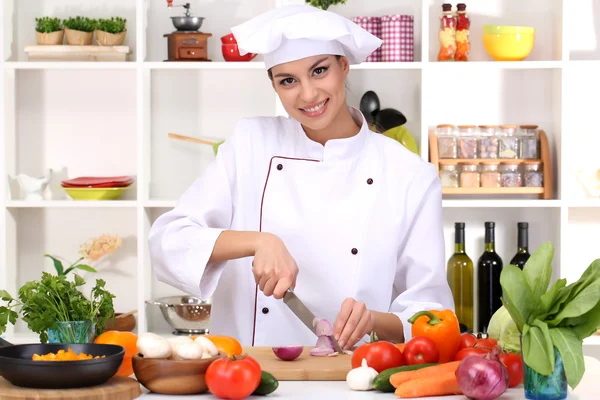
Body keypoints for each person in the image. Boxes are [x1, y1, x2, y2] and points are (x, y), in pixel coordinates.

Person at [148, 5, 454, 350]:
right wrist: (259, 241)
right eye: (288, 80)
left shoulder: (409, 175)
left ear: (344, 66)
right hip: (247, 373)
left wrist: (372, 322)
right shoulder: (252, 144)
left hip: (354, 375)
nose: (307, 95)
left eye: (319, 70)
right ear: (275, 86)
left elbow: (432, 317)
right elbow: (168, 241)